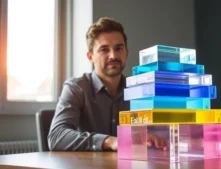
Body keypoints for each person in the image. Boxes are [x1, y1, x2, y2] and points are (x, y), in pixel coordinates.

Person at [48, 17, 167, 152]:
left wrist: (151, 137)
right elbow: (56, 136)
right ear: (90, 57)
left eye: (119, 48)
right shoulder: (76, 88)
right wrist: (109, 141)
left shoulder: (138, 90)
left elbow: (155, 132)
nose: (113, 56)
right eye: (104, 49)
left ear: (127, 53)